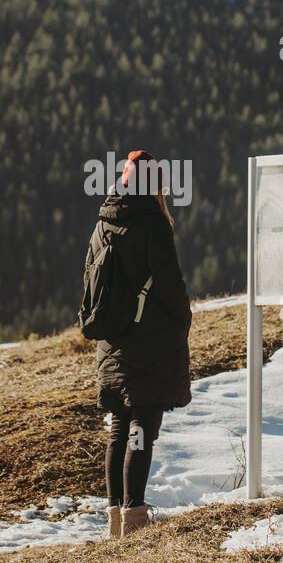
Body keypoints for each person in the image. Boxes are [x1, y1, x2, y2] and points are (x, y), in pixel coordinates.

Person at [84, 149, 192, 537]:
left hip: (111, 342)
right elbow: (171, 284)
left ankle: (115, 519)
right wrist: (182, 322)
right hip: (149, 343)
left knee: (120, 430)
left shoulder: (103, 222)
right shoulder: (152, 225)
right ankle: (135, 517)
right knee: (141, 429)